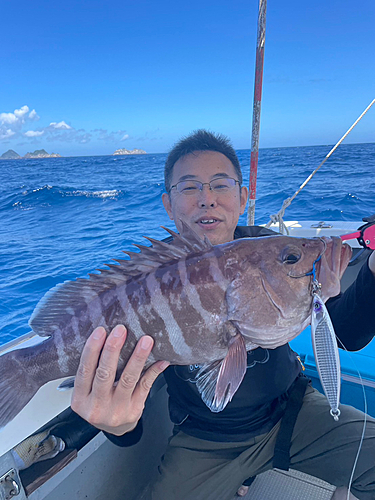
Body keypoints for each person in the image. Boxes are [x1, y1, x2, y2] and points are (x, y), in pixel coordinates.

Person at [71, 130, 375, 500]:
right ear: (168, 204)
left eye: (220, 185)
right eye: (189, 188)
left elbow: (347, 334)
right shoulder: (149, 283)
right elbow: (126, 411)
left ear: (243, 196)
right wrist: (118, 427)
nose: (207, 199)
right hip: (204, 441)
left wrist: (371, 270)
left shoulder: (271, 250)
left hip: (293, 412)